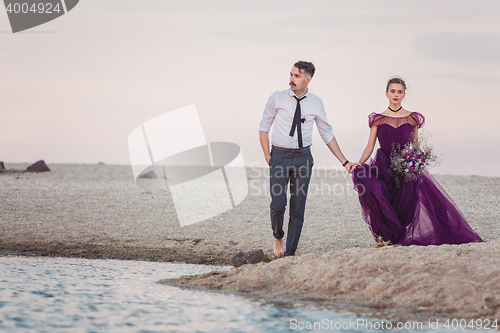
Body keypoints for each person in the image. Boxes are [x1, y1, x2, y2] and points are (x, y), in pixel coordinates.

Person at [352, 76, 484, 246]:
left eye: (399, 92)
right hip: (383, 165)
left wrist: (417, 161)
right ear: (386, 93)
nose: (396, 95)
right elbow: (370, 146)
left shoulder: (412, 118)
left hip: (405, 166)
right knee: (382, 198)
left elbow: (415, 145)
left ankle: (397, 239)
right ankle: (387, 238)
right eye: (392, 91)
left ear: (404, 94)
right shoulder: (378, 119)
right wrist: (360, 163)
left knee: (405, 202)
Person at [259, 61, 357, 257]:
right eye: (291, 74)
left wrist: (344, 162)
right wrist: (269, 158)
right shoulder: (277, 98)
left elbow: (326, 134)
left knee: (298, 208)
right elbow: (264, 128)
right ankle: (278, 237)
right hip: (279, 156)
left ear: (307, 79)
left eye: (296, 76)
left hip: (303, 158)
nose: (291, 79)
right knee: (278, 204)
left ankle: (290, 254)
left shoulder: (316, 102)